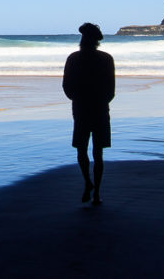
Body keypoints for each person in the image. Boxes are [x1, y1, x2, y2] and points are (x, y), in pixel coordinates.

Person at [62, 22, 115, 205]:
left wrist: (77, 99)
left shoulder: (73, 58)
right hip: (100, 109)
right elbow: (111, 90)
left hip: (81, 108)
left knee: (82, 149)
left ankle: (87, 183)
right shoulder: (106, 59)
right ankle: (97, 193)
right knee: (98, 152)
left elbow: (66, 86)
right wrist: (101, 101)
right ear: (97, 41)